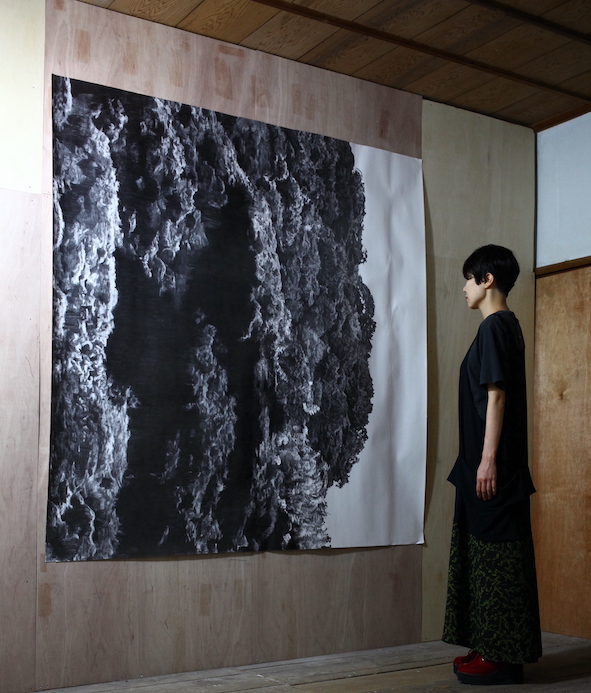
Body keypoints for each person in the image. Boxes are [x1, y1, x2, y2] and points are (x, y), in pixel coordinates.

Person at [442, 244, 542, 685]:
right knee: (484, 555)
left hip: (492, 468)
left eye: (469, 278)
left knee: (497, 557)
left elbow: (496, 396)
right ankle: (490, 645)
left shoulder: (495, 327)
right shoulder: (505, 327)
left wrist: (487, 461)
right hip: (485, 465)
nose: (465, 287)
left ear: (487, 280)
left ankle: (500, 655)